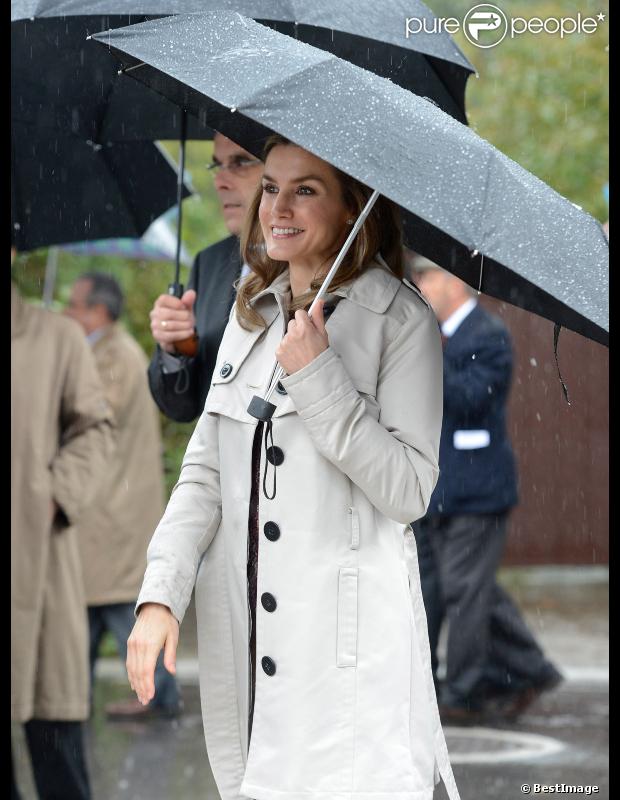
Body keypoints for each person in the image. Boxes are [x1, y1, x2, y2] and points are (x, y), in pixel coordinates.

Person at [124, 136, 461, 800]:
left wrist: (321, 377)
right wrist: (160, 597)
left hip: (347, 663)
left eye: (306, 189)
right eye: (272, 187)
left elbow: (410, 490)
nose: (277, 205)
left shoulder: (400, 321)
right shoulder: (251, 315)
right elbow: (204, 477)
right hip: (248, 649)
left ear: (350, 209)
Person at [411, 256, 563, 722]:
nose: (420, 286)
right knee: (442, 588)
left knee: (466, 589)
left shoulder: (486, 333)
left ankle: (464, 691)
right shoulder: (436, 337)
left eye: (427, 276)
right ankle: (514, 671)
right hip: (434, 489)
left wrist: (426, 355)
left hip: (478, 491)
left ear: (453, 282)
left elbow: (474, 399)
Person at [11, 275, 114, 800]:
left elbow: (96, 429)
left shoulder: (54, 338)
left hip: (36, 567)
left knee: (55, 743)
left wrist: (51, 495)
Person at [64, 273, 181, 720]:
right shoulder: (103, 351)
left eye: (74, 305)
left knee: (121, 608)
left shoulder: (113, 356)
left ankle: (156, 697)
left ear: (97, 311)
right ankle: (75, 702)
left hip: (115, 510)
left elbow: (90, 414)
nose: (67, 314)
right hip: (105, 510)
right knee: (94, 611)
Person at [148, 132, 263, 422]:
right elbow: (182, 407)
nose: (219, 181)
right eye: (217, 166)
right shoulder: (209, 263)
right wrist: (178, 347)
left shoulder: (320, 268)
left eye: (239, 162)